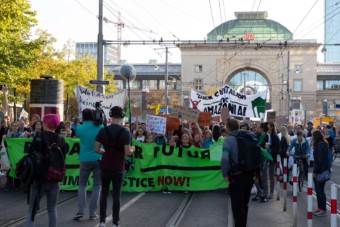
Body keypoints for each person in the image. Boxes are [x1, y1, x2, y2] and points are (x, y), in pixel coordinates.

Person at [94, 106, 134, 227]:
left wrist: (105, 153)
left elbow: (96, 148)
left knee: (104, 193)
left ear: (111, 116)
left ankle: (102, 221)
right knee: (116, 195)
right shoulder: (125, 132)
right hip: (118, 167)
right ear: (122, 117)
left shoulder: (103, 131)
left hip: (105, 165)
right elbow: (127, 152)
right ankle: (115, 223)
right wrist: (133, 149)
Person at [26, 114, 67, 227]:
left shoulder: (39, 137)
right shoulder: (61, 140)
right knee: (52, 209)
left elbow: (31, 155)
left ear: (44, 124)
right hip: (54, 178)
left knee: (32, 210)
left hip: (39, 179)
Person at [221, 118, 254, 227]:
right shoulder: (248, 136)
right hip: (249, 175)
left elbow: (225, 159)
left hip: (236, 177)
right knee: (244, 204)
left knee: (236, 206)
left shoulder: (228, 140)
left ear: (228, 128)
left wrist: (225, 174)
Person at [73, 109, 103, 221]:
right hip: (98, 157)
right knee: (96, 186)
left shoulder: (80, 128)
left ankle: (80, 211)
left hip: (84, 159)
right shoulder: (100, 127)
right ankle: (93, 213)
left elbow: (76, 133)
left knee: (82, 185)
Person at [312, 130, 330, 217]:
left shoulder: (318, 146)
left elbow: (319, 161)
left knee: (320, 191)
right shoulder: (324, 144)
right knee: (319, 191)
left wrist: (315, 172)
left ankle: (322, 209)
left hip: (320, 171)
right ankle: (320, 208)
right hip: (324, 169)